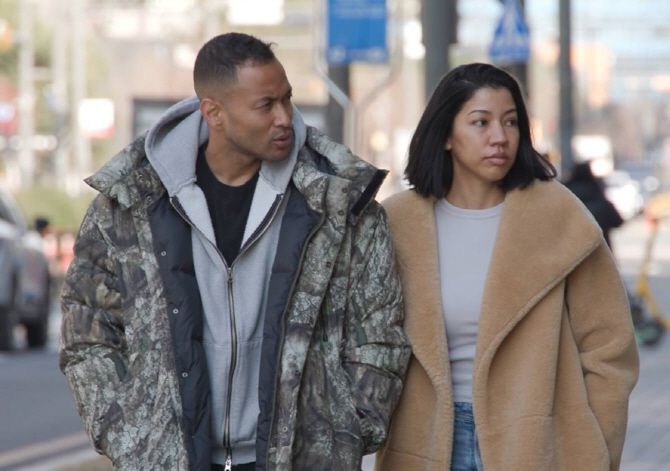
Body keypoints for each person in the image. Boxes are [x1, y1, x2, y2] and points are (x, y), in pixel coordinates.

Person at [60, 32, 410, 471]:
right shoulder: (129, 204)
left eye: (287, 99)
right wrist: (125, 430)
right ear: (214, 113)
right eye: (266, 105)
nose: (284, 117)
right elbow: (88, 330)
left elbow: (378, 330)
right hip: (170, 460)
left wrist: (346, 428)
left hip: (303, 459)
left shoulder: (339, 203)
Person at [375, 63, 639, 471]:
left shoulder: (560, 218)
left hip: (538, 446)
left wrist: (594, 450)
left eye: (511, 122)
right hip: (425, 443)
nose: (500, 137)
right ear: (446, 134)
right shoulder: (397, 224)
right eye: (481, 122)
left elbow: (609, 348)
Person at [564, 161, 624, 251]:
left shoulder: (566, 196)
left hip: (574, 251)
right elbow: (617, 222)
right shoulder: (598, 195)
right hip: (600, 250)